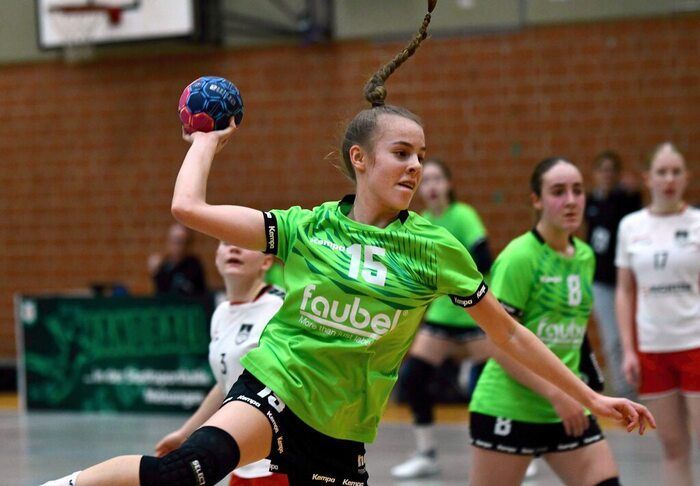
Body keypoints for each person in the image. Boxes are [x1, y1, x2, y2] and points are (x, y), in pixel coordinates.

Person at [41, 3, 654, 485]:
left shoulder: (435, 248)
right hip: (275, 390)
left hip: (344, 430)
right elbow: (189, 210)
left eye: (421, 155)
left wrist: (590, 395)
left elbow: (510, 335)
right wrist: (204, 141)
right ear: (360, 159)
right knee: (183, 474)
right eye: (401, 153)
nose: (415, 166)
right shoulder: (308, 228)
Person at [468, 157, 628, 486]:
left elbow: (574, 330)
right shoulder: (520, 257)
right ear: (537, 200)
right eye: (558, 192)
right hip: (509, 408)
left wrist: (587, 380)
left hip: (569, 407)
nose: (570, 200)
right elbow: (497, 344)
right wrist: (557, 394)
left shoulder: (584, 256)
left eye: (577, 191)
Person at [391, 158, 495, 479]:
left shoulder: (463, 215)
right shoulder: (422, 221)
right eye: (427, 180)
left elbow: (484, 258)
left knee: (497, 384)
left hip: (475, 314)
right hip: (442, 315)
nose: (432, 186)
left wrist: (447, 272)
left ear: (449, 184)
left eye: (438, 179)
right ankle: (426, 453)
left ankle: (517, 449)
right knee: (412, 378)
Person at [154, 240, 288, 486]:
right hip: (242, 461)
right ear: (217, 256)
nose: (234, 248)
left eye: (244, 243)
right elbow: (226, 383)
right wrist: (186, 433)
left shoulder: (281, 309)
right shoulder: (221, 312)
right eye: (226, 243)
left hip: (280, 462)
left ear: (266, 261)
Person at [615, 142, 700, 486]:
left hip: (695, 342)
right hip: (652, 348)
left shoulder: (697, 223)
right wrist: (629, 349)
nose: (669, 179)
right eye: (661, 172)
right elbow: (624, 290)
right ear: (647, 178)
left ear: (686, 177)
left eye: (676, 172)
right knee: (672, 447)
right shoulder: (630, 226)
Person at [585, 150, 642, 398]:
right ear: (595, 174)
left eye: (611, 170)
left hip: (627, 279)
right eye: (602, 170)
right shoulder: (590, 203)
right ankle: (623, 392)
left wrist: (631, 191)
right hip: (601, 282)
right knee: (613, 339)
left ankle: (635, 388)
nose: (606, 175)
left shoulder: (625, 199)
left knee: (633, 336)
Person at [148, 222, 207, 296]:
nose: (179, 246)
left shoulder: (194, 265)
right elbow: (160, 292)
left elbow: (201, 293)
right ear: (168, 242)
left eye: (183, 241)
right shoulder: (163, 264)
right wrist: (155, 273)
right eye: (175, 241)